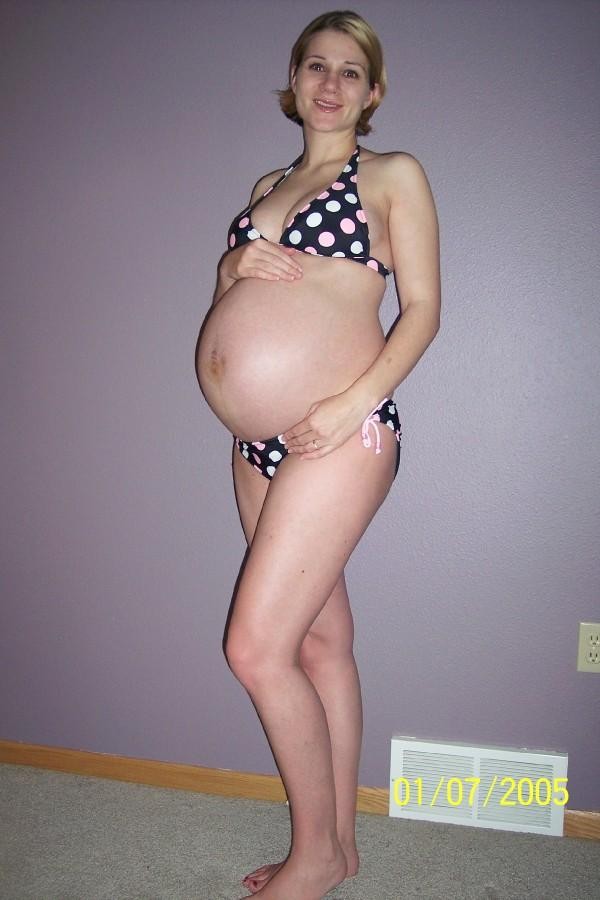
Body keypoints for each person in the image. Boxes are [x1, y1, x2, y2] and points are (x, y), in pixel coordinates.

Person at [195, 10, 440, 899]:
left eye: (350, 71)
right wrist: (232, 272)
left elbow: (423, 310)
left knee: (255, 649)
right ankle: (340, 844)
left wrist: (350, 402)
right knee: (322, 640)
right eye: (315, 66)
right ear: (294, 80)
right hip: (253, 445)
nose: (330, 83)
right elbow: (228, 295)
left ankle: (316, 859)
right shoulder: (267, 184)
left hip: (339, 431)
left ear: (372, 93)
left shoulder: (391, 174)